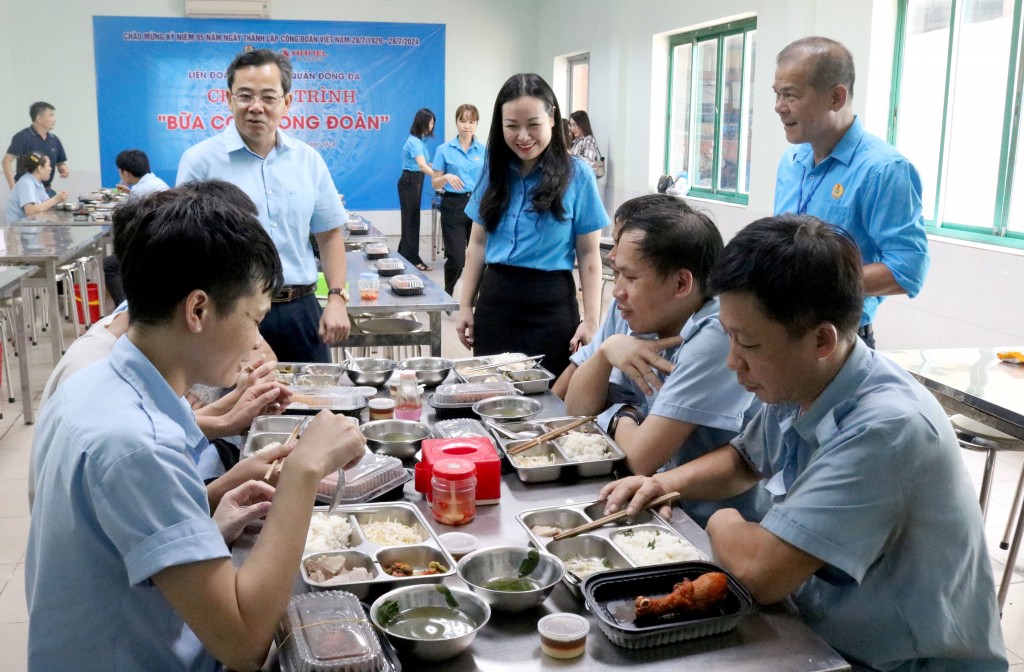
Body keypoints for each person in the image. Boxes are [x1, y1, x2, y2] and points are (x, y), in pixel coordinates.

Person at [600, 214, 1006, 671]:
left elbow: (760, 574)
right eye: (728, 336)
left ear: (821, 339)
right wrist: (665, 483)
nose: (733, 362)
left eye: (747, 344)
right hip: (828, 630)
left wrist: (721, 521)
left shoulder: (886, 430)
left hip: (899, 662)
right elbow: (744, 460)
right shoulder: (803, 378)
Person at [26, 187, 366, 672]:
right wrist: (303, 473)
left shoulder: (100, 383)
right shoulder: (136, 442)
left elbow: (115, 524)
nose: (255, 340)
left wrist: (210, 500)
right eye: (254, 318)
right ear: (198, 311)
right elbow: (244, 642)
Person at [564, 194, 762, 526]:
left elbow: (641, 457)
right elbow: (575, 408)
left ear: (681, 283)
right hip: (660, 502)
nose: (617, 291)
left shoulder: (716, 334)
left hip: (709, 521)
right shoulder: (638, 314)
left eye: (631, 277)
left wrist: (615, 415)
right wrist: (605, 352)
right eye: (617, 275)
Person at [177, 49, 351, 363]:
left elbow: (329, 235)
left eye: (268, 97)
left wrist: (337, 298)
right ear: (229, 100)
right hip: (231, 313)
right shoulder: (200, 163)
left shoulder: (308, 160)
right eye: (245, 96)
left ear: (286, 102)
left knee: (317, 403)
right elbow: (185, 251)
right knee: (240, 407)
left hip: (302, 311)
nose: (256, 107)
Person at [772, 36, 929, 349]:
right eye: (776, 94)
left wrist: (819, 283)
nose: (778, 107)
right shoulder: (792, 161)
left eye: (790, 95)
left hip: (839, 341)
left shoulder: (884, 169)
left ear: (836, 97)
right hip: (783, 332)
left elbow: (908, 268)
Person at [457, 73, 606, 377]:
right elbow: (478, 244)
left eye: (533, 125)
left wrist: (591, 320)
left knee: (549, 402)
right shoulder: (493, 172)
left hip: (550, 306)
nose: (523, 137)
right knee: (491, 395)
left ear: (552, 118)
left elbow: (590, 256)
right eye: (512, 126)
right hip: (495, 302)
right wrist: (464, 305)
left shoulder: (578, 176)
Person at [431, 104, 485, 295]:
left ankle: (475, 297)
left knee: (479, 257)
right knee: (456, 258)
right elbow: (435, 183)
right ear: (456, 122)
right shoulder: (444, 149)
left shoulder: (484, 151)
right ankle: (448, 289)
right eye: (463, 121)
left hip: (478, 206)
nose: (467, 126)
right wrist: (445, 178)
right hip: (453, 205)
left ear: (477, 124)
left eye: (471, 122)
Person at [398, 107, 436, 271]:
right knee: (411, 220)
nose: (432, 126)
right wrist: (438, 177)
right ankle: (412, 258)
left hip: (416, 181)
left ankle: (403, 254)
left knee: (411, 219)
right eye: (431, 122)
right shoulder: (414, 141)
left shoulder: (420, 141)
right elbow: (421, 165)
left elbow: (426, 164)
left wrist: (439, 169)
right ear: (423, 123)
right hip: (410, 182)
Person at [3, 101, 68, 194]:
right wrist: (13, 187)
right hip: (26, 190)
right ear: (39, 119)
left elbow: (60, 163)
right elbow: (6, 161)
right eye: (51, 115)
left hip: (46, 190)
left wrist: (63, 169)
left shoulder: (54, 139)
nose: (55, 119)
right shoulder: (22, 137)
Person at [6, 152, 67, 223]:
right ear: (40, 168)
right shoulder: (26, 183)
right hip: (19, 230)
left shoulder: (38, 183)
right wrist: (56, 199)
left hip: (32, 227)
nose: (51, 169)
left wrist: (60, 199)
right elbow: (29, 210)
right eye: (49, 165)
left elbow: (45, 203)